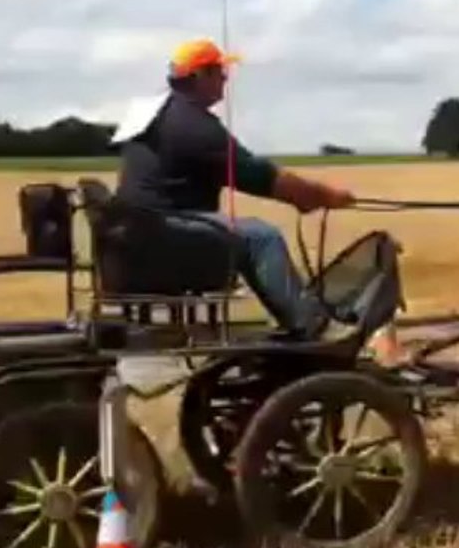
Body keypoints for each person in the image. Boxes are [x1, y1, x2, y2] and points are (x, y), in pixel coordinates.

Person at [112, 37, 356, 338]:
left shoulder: (159, 114)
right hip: (164, 233)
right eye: (220, 72)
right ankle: (312, 328)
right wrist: (324, 196)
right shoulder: (194, 127)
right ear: (200, 77)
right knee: (261, 237)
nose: (226, 79)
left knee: (247, 232)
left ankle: (298, 322)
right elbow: (259, 176)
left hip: (144, 230)